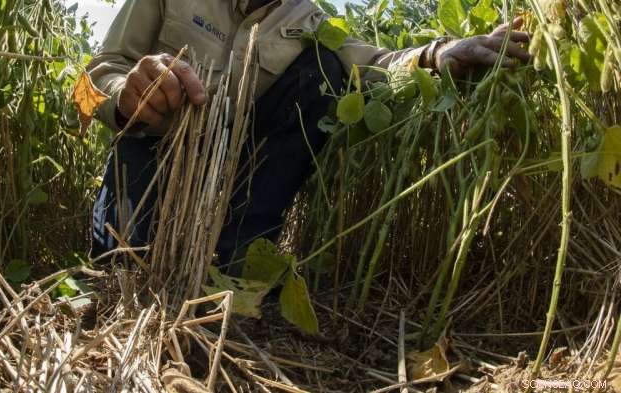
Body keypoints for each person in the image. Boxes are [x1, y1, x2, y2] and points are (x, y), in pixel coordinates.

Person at [86, 0, 530, 271]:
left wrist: (439, 53)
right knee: (121, 267)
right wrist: (126, 94)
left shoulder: (309, 21)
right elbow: (96, 75)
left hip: (235, 175)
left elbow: (374, 64)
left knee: (325, 70)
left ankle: (244, 250)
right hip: (153, 156)